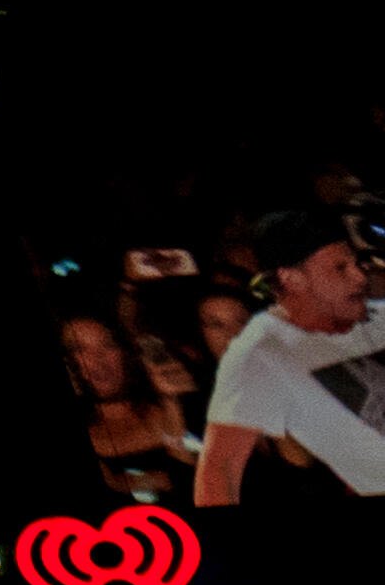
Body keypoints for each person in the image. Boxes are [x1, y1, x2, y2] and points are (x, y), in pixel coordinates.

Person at [194, 206, 385, 503]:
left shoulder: (370, 316)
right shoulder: (259, 353)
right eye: (340, 268)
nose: (360, 277)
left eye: (357, 264)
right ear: (293, 279)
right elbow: (220, 472)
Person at [61, 316, 200, 505]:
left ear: (125, 353)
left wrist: (172, 403)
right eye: (79, 349)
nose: (97, 358)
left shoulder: (172, 403)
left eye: (108, 344)